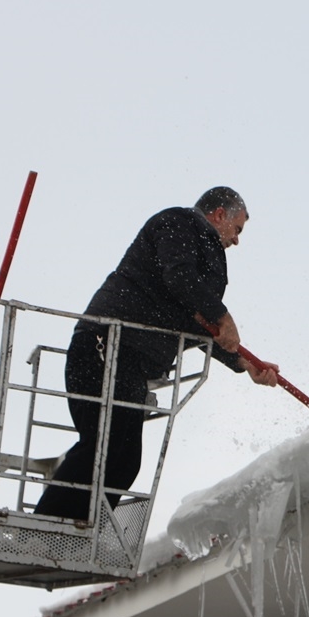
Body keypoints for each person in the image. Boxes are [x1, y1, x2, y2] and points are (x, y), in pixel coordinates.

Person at [34, 186, 279, 520]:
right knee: (104, 445)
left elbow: (195, 325)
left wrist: (244, 363)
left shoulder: (205, 260)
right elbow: (180, 277)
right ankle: (46, 526)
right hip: (106, 343)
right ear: (219, 214)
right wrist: (223, 316)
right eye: (237, 229)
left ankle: (79, 529)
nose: (236, 240)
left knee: (124, 460)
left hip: (132, 364)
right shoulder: (178, 222)